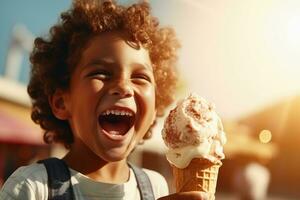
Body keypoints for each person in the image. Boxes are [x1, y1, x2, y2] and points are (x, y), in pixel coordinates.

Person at [0, 0, 208, 199]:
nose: (124, 86)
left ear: (155, 109)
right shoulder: (31, 187)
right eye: (100, 73)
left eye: (140, 77)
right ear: (61, 103)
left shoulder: (157, 186)